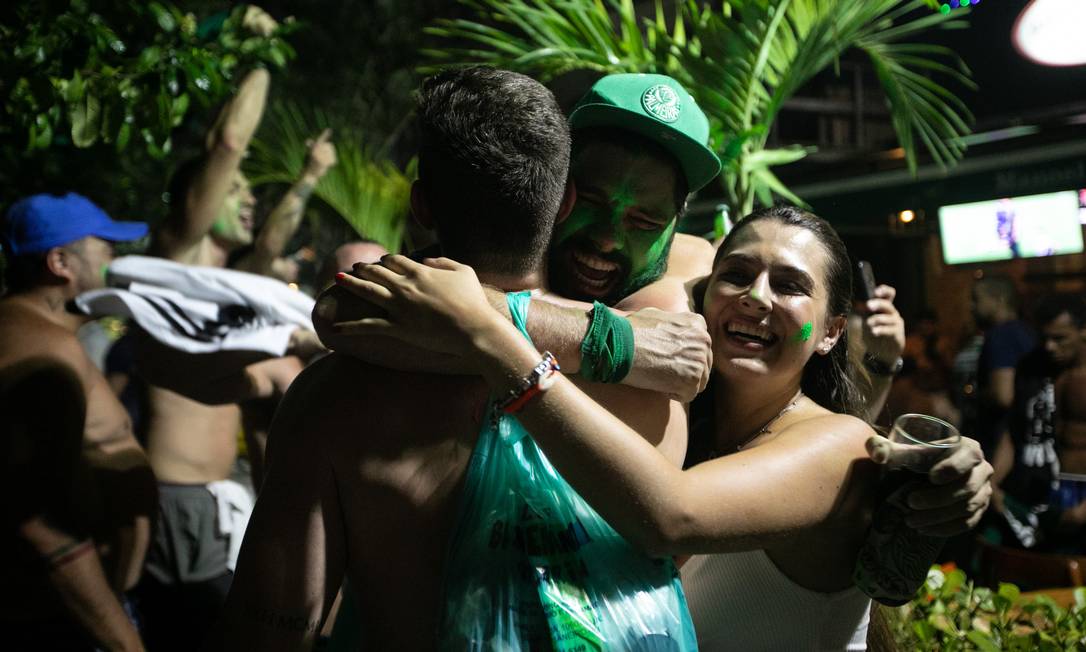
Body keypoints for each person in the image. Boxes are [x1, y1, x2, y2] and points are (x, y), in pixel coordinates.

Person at [211, 66, 716, 651]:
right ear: (562, 196)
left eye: (646, 221)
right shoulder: (653, 376)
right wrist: (612, 341)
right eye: (597, 203)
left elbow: (267, 632)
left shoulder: (333, 401)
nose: (608, 239)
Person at [334, 204, 993, 649]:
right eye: (737, 274)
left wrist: (497, 342)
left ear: (829, 334)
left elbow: (668, 518)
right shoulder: (681, 429)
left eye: (790, 286)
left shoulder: (838, 444)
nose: (756, 295)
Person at [135, 64, 315, 651]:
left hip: (217, 497)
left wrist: (310, 177)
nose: (249, 201)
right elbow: (228, 142)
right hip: (177, 496)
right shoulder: (176, 262)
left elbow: (268, 244)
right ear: (198, 197)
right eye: (235, 190)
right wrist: (262, 55)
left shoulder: (228, 284)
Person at [0, 193, 153, 650]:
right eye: (107, 248)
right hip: (63, 620)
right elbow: (41, 526)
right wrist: (124, 642)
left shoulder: (46, 336)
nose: (117, 262)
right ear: (60, 263)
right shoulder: (45, 350)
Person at [990, 294, 1086, 551]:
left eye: (1060, 338)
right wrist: (991, 481)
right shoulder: (1032, 367)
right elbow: (1014, 431)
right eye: (1044, 338)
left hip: (1080, 492)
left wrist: (1082, 512)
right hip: (1036, 493)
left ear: (1083, 331)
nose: (1049, 347)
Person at [971, 275, 1035, 457]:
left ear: (998, 300)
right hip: (1024, 440)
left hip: (1000, 443)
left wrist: (976, 396)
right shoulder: (1025, 331)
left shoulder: (1000, 336)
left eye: (976, 299)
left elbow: (1003, 396)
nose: (972, 306)